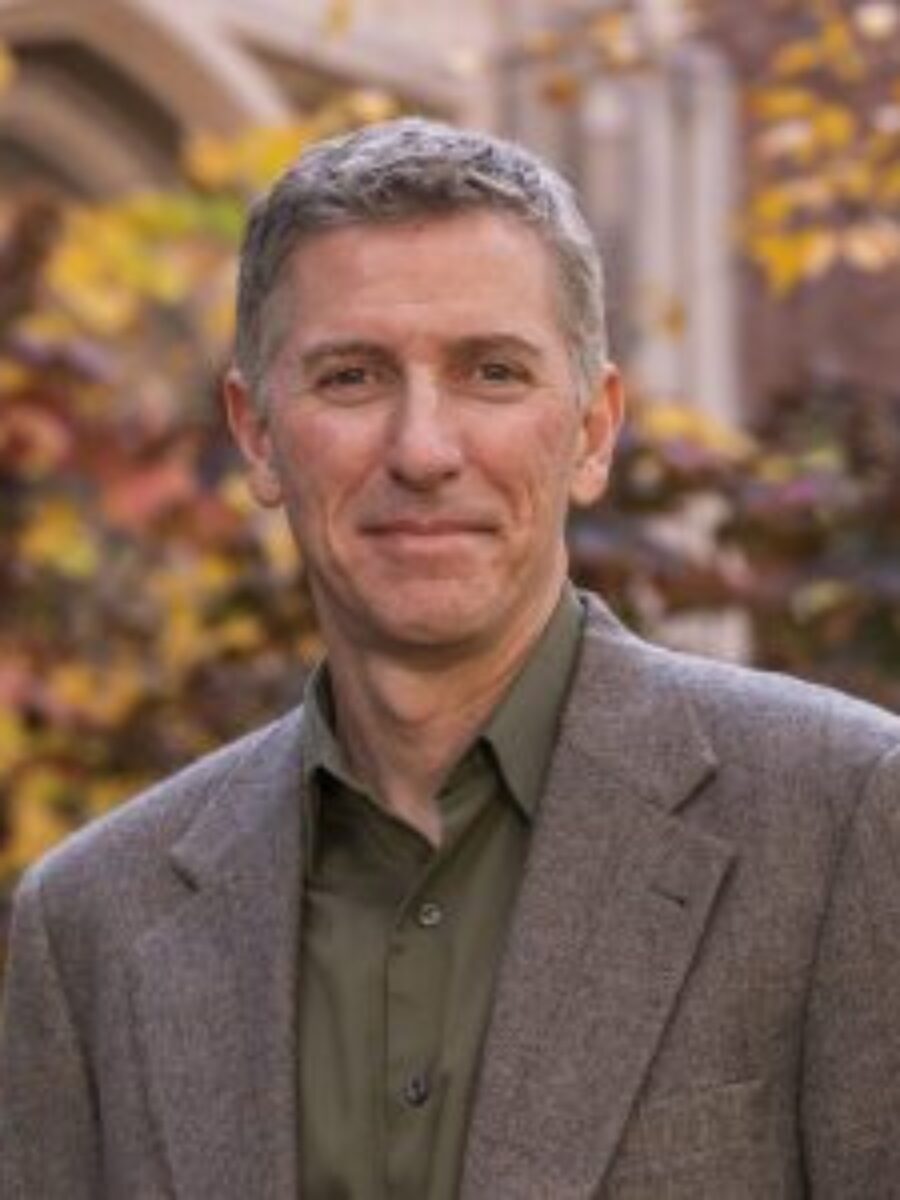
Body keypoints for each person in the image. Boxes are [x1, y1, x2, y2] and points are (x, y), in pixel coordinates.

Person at [1, 117, 899, 1200]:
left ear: (594, 430)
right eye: (351, 377)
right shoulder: (94, 922)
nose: (423, 449)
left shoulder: (845, 820)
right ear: (256, 433)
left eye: (492, 372)